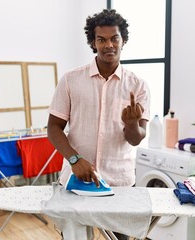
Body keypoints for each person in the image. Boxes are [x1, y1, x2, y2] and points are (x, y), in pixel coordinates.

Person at [47, 9, 150, 240]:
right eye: (101, 39)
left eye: (114, 38)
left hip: (120, 181)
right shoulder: (71, 80)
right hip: (76, 180)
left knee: (120, 238)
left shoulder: (138, 86)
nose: (109, 45)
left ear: (123, 40)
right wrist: (74, 159)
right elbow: (53, 128)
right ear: (93, 43)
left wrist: (132, 124)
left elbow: (135, 138)